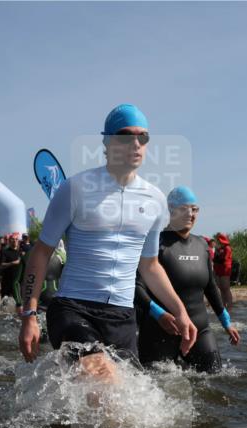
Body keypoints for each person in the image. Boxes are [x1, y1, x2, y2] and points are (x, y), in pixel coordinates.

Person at [17, 103, 197, 378]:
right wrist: (29, 315)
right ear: (107, 142)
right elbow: (41, 253)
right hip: (73, 309)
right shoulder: (74, 189)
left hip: (122, 317)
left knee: (129, 408)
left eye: (143, 137)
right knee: (105, 381)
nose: (136, 143)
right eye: (127, 136)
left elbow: (150, 266)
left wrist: (180, 312)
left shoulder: (155, 199)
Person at [135, 187, 239, 373]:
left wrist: (226, 322)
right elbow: (137, 287)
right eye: (184, 209)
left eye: (195, 209)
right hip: (161, 329)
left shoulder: (202, 246)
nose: (191, 214)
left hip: (199, 329)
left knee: (215, 381)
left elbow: (211, 287)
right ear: (171, 210)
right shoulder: (156, 243)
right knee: (159, 387)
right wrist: (159, 314)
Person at [213, 232, 235, 311]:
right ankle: (223, 305)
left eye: (218, 241)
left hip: (225, 270)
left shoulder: (227, 248)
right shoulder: (219, 249)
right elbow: (215, 259)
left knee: (226, 288)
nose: (217, 242)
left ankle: (229, 306)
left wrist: (217, 255)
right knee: (221, 288)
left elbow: (223, 259)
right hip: (218, 269)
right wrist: (216, 252)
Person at [0, 234, 21, 299]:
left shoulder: (20, 253)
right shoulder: (5, 252)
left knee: (17, 302)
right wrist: (13, 263)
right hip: (7, 281)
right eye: (13, 239)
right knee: (4, 301)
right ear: (9, 241)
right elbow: (1, 265)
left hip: (17, 282)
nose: (15, 241)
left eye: (16, 239)